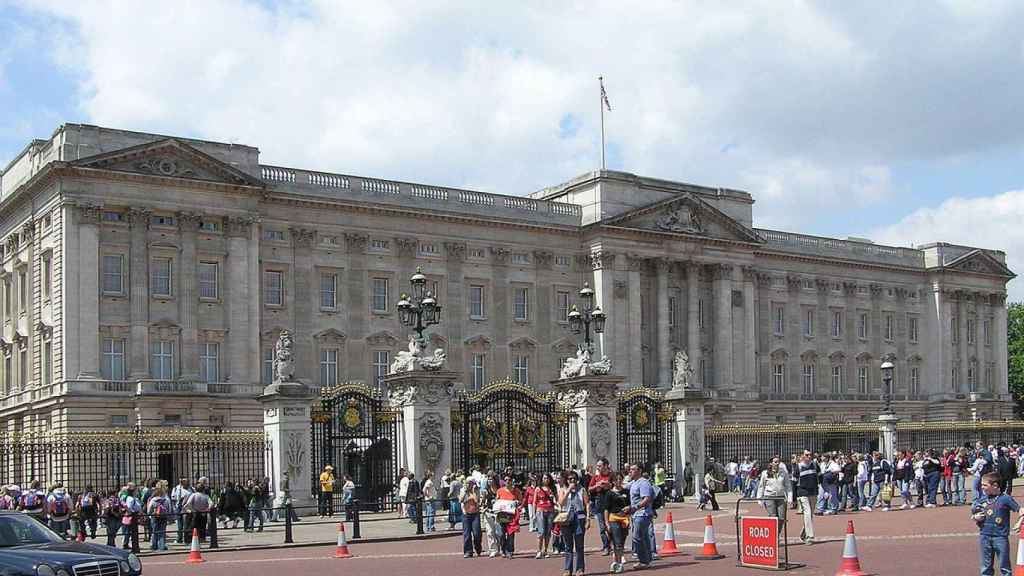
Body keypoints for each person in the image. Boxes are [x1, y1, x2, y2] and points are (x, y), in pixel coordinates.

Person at [973, 472, 1023, 576]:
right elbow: (974, 513)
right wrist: (975, 517)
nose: (982, 487)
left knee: (1004, 566)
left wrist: (1019, 522)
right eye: (981, 485)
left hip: (1000, 537)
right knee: (985, 567)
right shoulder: (982, 499)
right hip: (985, 536)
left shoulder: (1005, 499)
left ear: (995, 485)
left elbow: (1021, 510)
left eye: (985, 485)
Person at [559, 470, 589, 575]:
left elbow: (587, 504)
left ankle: (580, 569)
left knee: (579, 545)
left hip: (579, 517)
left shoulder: (582, 490)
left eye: (574, 479)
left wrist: (588, 518)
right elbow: (561, 503)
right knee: (568, 545)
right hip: (566, 518)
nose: (572, 480)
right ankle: (568, 569)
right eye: (570, 478)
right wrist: (568, 490)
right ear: (567, 480)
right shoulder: (563, 489)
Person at [624, 464, 654, 569]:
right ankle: (647, 560)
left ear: (639, 471)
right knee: (644, 537)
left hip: (642, 513)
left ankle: (643, 560)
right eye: (630, 469)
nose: (630, 471)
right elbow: (622, 487)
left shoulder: (644, 483)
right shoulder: (633, 482)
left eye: (633, 469)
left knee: (637, 537)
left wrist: (634, 507)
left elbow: (647, 499)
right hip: (636, 513)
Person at [603, 472, 630, 574]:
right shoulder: (609, 493)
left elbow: (630, 505)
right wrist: (606, 523)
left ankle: (617, 558)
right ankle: (618, 563)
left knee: (622, 541)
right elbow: (606, 509)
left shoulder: (626, 491)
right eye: (616, 479)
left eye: (620, 479)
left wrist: (629, 508)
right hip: (613, 518)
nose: (618, 481)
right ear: (613, 481)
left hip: (624, 518)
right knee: (617, 541)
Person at [587, 457, 613, 556]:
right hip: (599, 502)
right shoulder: (595, 477)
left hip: (610, 502)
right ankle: (606, 546)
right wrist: (596, 485)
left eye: (600, 466)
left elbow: (617, 486)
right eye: (597, 466)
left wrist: (608, 485)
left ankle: (612, 544)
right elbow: (589, 488)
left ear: (606, 466)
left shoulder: (611, 475)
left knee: (611, 525)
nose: (597, 467)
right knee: (602, 527)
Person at [757, 458, 791, 526]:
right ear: (771, 463)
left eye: (779, 462)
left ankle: (777, 534)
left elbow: (788, 486)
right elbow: (761, 486)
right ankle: (773, 535)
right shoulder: (765, 473)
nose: (777, 463)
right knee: (773, 517)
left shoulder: (783, 472)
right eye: (775, 462)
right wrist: (759, 499)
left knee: (781, 518)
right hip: (769, 497)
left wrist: (790, 498)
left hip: (781, 497)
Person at [794, 450, 818, 545]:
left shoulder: (815, 465)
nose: (809, 456)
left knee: (810, 515)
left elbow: (819, 477)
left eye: (810, 455)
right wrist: (794, 497)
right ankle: (810, 536)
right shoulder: (799, 466)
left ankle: (804, 533)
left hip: (813, 492)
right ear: (802, 456)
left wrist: (825, 490)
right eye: (806, 455)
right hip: (802, 492)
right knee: (807, 513)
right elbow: (794, 482)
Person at [495, 475, 521, 558]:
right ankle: (503, 549)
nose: (507, 481)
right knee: (501, 534)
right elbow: (497, 501)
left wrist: (517, 502)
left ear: (512, 481)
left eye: (509, 480)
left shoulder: (516, 491)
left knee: (511, 533)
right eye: (505, 480)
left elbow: (520, 501)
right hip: (502, 514)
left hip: (511, 515)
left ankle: (510, 550)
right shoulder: (500, 491)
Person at [532, 472, 556, 558]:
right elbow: (534, 502)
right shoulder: (538, 489)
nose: (546, 480)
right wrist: (534, 514)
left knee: (548, 531)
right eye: (544, 478)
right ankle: (539, 550)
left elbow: (555, 500)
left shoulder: (552, 489)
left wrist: (553, 497)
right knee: (541, 531)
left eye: (547, 478)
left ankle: (545, 550)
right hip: (540, 510)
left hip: (550, 510)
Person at [460, 478, 482, 558]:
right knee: (467, 534)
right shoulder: (463, 490)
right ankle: (468, 551)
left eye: (470, 483)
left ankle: (478, 547)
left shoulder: (476, 491)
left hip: (475, 514)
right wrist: (466, 493)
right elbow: (460, 500)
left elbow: (477, 501)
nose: (468, 485)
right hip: (466, 514)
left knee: (477, 533)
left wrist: (473, 492)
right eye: (467, 483)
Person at [147, 482, 172, 551]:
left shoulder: (153, 500)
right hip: (163, 517)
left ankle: (154, 546)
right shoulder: (166, 500)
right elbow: (169, 509)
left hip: (155, 517)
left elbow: (149, 510)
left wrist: (150, 515)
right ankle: (161, 546)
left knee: (154, 531)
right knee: (162, 532)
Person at [171, 478, 193, 544]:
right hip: (180, 507)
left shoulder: (191, 489)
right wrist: (174, 507)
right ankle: (180, 538)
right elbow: (173, 498)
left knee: (186, 524)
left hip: (187, 508)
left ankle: (185, 538)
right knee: (180, 524)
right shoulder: (176, 488)